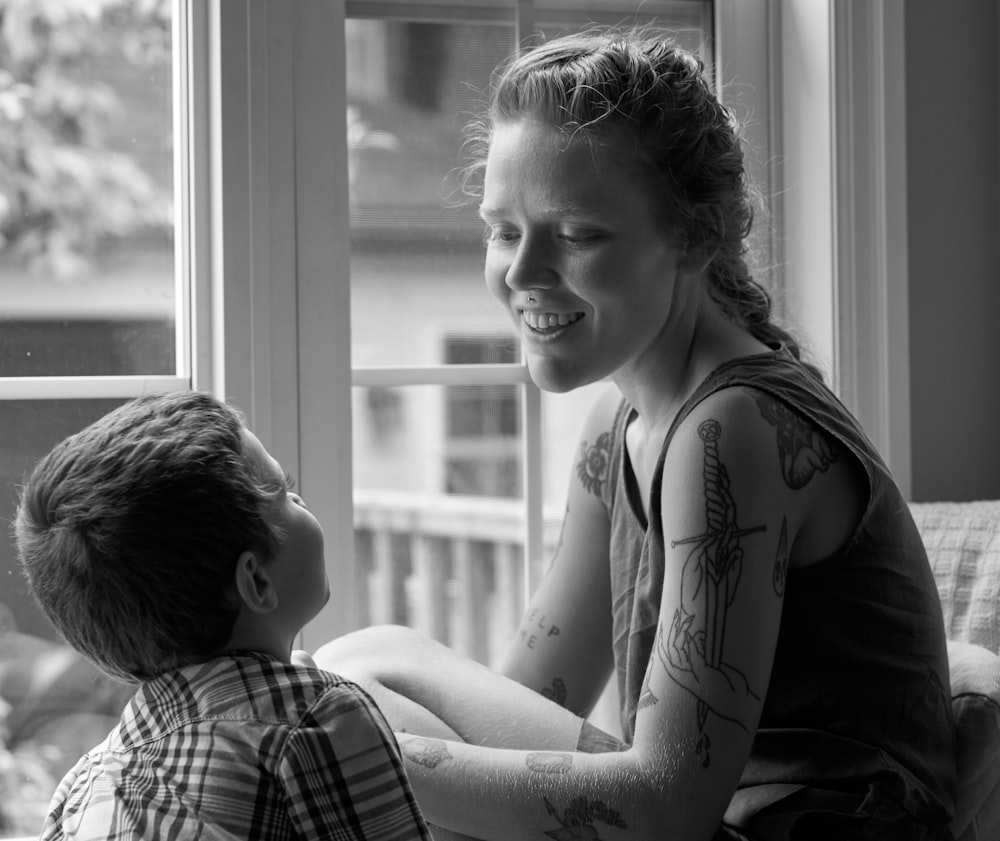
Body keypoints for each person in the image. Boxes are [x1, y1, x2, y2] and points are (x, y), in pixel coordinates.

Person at [314, 26, 957, 841]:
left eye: (576, 235)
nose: (521, 272)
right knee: (354, 673)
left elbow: (666, 803)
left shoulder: (734, 430)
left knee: (367, 668)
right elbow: (535, 697)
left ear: (695, 235)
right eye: (503, 231)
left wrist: (373, 762)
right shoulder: (617, 429)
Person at [14, 390, 431, 841]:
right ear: (256, 582)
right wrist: (304, 701)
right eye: (284, 491)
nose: (301, 498)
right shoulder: (318, 721)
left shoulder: (79, 789)